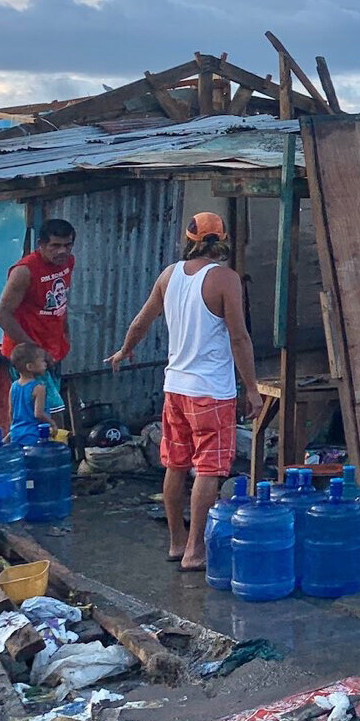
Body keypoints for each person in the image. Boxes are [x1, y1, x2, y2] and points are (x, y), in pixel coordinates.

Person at [106, 213, 259, 572]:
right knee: (207, 469)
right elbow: (239, 337)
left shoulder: (169, 275)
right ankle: (195, 551)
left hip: (175, 388)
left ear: (187, 238)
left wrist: (125, 350)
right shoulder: (225, 279)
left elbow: (141, 320)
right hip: (212, 392)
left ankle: (177, 543)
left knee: (175, 465)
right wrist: (252, 388)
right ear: (222, 240)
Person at [0, 219, 76, 422]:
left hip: (52, 349)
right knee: (46, 414)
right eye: (55, 246)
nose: (62, 251)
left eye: (67, 245)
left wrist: (64, 332)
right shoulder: (24, 271)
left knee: (47, 412)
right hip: (28, 357)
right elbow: (3, 316)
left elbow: (60, 301)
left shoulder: (68, 262)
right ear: (40, 245)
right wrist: (35, 351)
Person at [7, 343, 53, 446]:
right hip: (34, 435)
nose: (45, 363)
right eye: (42, 361)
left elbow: (11, 412)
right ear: (30, 366)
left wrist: (11, 431)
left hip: (16, 434)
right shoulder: (39, 388)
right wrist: (52, 423)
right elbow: (38, 414)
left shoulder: (14, 386)